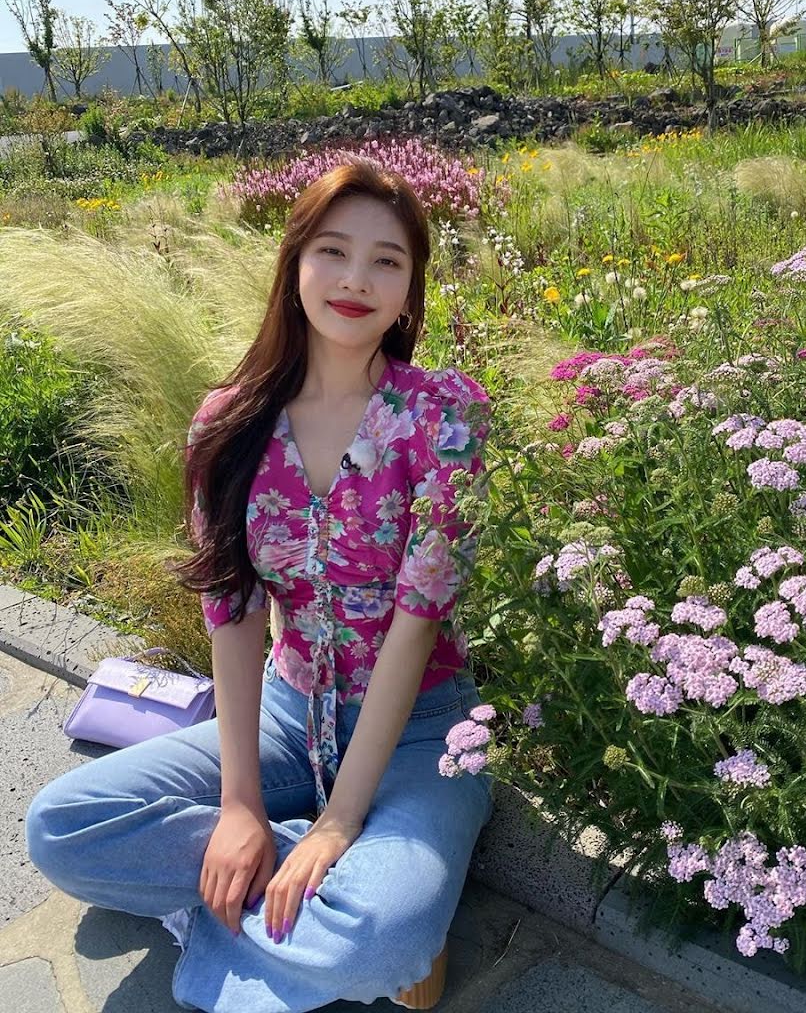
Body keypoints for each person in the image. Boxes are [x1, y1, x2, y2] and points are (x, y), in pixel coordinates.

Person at [25, 159, 495, 1012]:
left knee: (380, 933)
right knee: (61, 828)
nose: (356, 280)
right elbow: (233, 611)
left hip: (421, 730)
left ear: (409, 290)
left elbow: (418, 622)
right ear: (295, 263)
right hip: (285, 716)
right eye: (333, 251)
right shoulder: (229, 423)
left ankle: (287, 899)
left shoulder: (444, 416)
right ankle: (297, 889)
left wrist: (341, 821)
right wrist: (240, 806)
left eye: (387, 261)